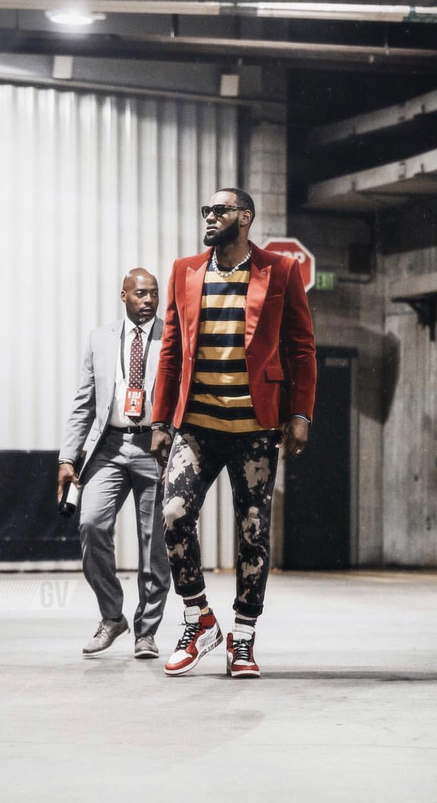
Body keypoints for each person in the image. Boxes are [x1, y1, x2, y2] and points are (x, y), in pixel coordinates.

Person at [150, 188, 316, 678]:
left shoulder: (280, 270)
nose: (209, 217)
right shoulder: (185, 271)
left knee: (253, 530)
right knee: (174, 514)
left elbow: (302, 347)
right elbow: (171, 350)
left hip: (256, 428)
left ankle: (242, 637)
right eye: (206, 210)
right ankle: (198, 619)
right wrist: (160, 420)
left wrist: (301, 413)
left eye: (219, 210)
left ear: (245, 217)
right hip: (196, 426)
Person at [58, 268, 170, 660]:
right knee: (91, 523)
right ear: (124, 296)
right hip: (108, 447)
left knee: (154, 544)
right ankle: (112, 616)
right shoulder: (99, 339)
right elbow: (84, 403)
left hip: (155, 448)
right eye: (140, 293)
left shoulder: (172, 337)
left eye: (154, 293)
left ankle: (147, 632)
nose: (149, 300)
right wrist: (67, 457)